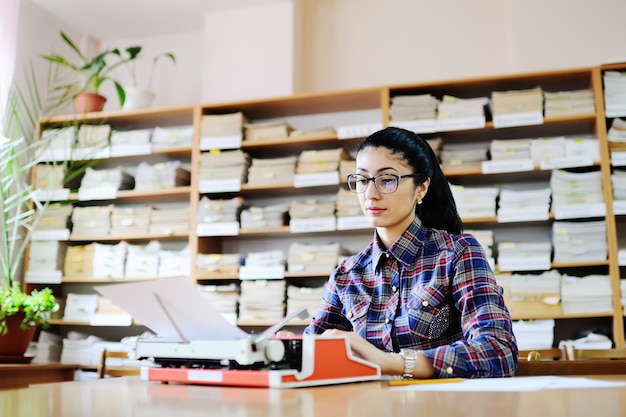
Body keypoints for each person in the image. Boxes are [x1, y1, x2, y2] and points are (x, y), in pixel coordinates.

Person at [302, 126, 518, 379]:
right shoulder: (347, 275)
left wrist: (392, 362)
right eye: (362, 181)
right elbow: (311, 353)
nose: (370, 194)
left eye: (387, 180)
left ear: (421, 188)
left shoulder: (457, 253)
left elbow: (498, 352)